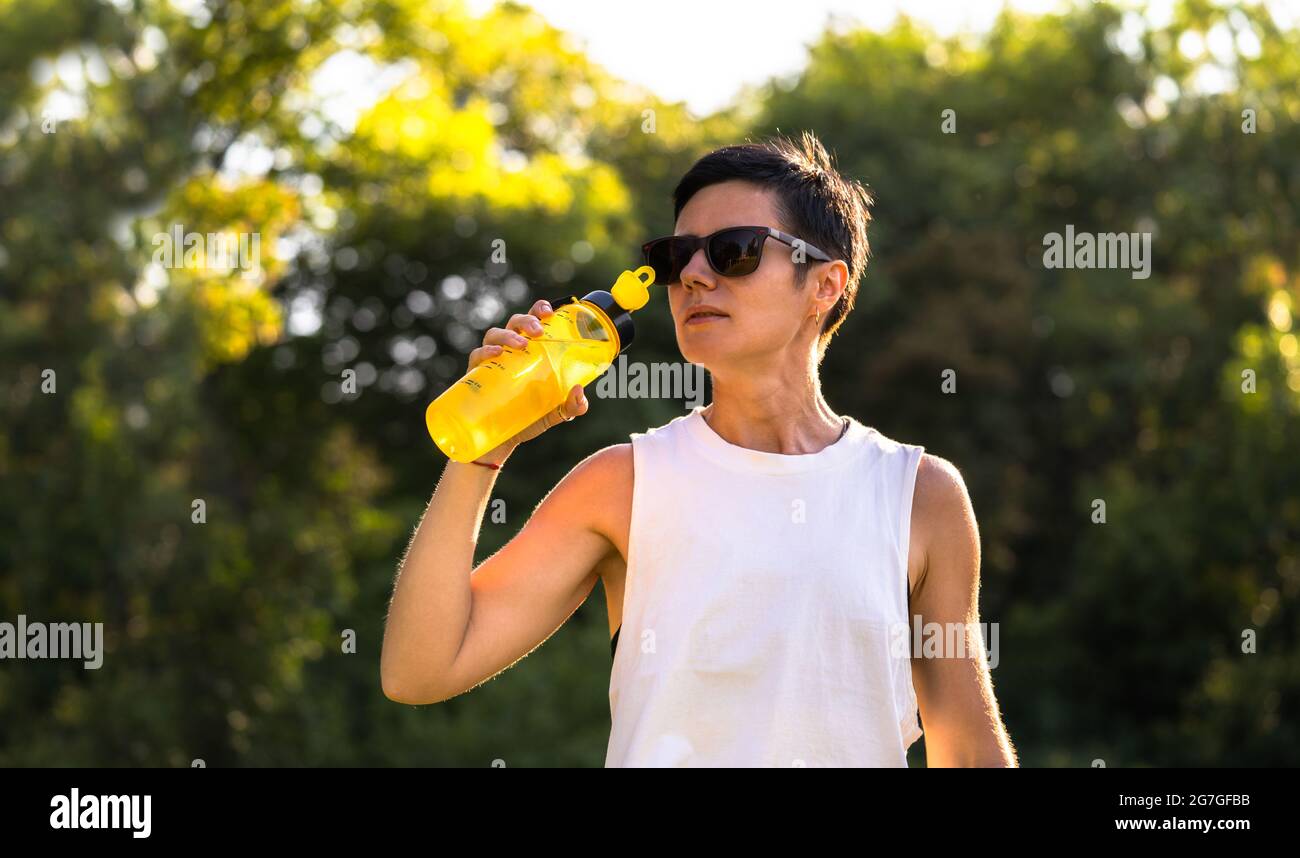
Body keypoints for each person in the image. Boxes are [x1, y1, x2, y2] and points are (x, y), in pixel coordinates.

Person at [381, 131, 1017, 767]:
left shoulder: (920, 494)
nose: (692, 275)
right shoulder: (624, 483)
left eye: (732, 252)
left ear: (824, 286)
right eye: (676, 255)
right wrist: (481, 450)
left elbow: (966, 752)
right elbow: (420, 670)